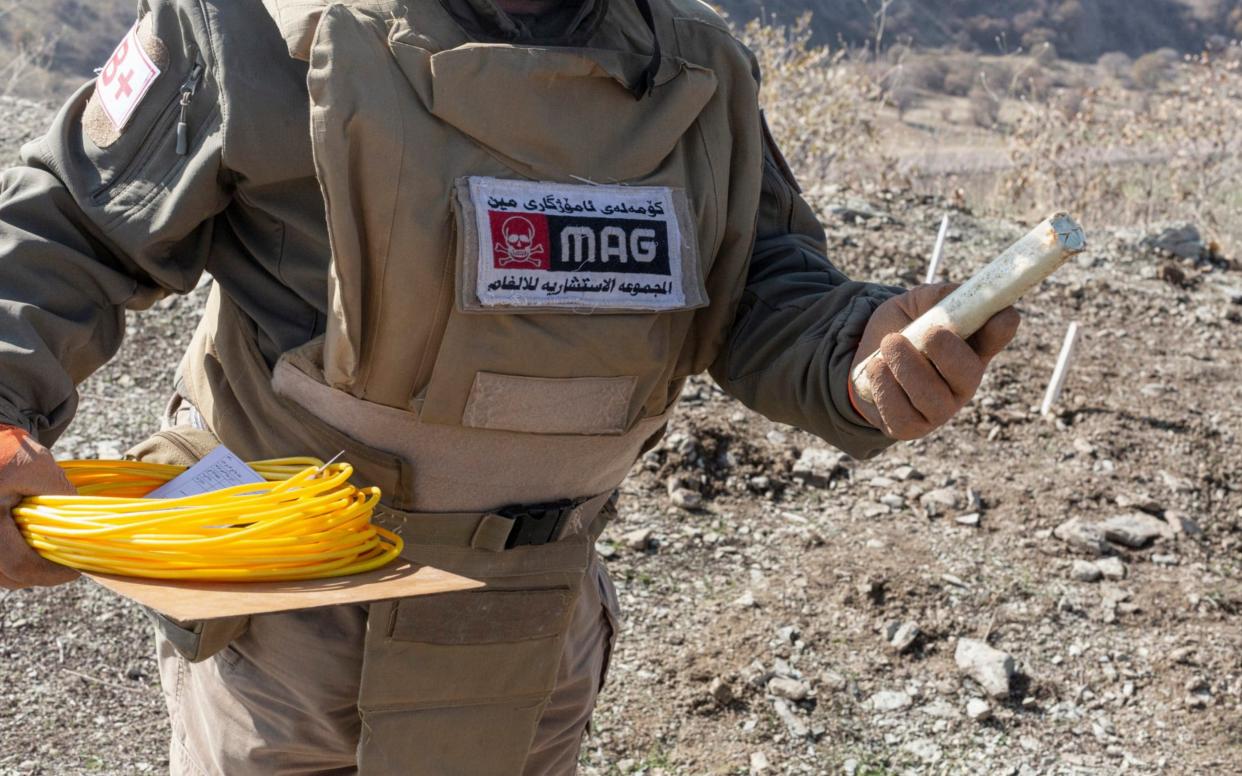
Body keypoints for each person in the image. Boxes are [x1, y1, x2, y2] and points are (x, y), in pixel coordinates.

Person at [0, 0, 1020, 773]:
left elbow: (760, 285)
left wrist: (861, 353)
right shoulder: (263, 28)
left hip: (530, 622)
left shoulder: (695, 66)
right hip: (282, 624)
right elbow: (66, 232)